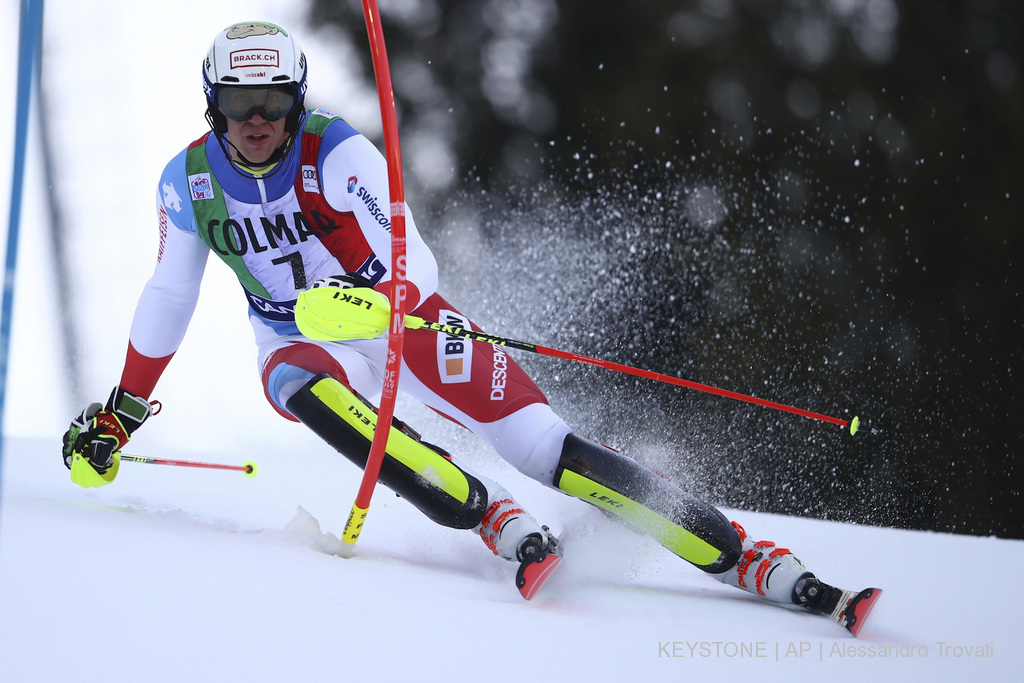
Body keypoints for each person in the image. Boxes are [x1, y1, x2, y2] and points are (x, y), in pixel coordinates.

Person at [62, 21, 845, 615]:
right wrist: (123, 414)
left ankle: (749, 558)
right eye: (240, 105)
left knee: (549, 449)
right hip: (297, 337)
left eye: (274, 103)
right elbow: (170, 295)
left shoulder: (336, 152)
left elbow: (417, 263)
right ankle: (492, 518)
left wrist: (374, 298)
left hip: (403, 321)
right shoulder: (189, 182)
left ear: (298, 100)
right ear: (213, 106)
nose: (258, 120)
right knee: (303, 387)